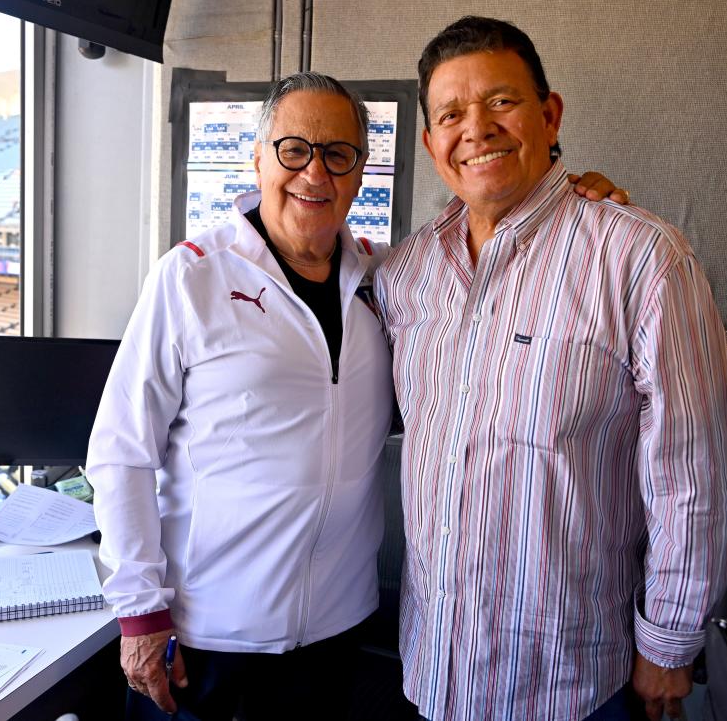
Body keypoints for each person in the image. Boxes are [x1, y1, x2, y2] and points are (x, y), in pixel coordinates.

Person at [87, 71, 623, 719]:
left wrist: (578, 203)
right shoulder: (190, 279)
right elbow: (121, 451)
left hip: (338, 635)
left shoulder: (390, 279)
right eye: (294, 150)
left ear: (360, 171)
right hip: (207, 636)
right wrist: (140, 611)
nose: (315, 173)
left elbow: (499, 266)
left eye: (337, 153)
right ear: (258, 159)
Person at [373, 16, 727, 721]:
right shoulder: (405, 272)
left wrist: (669, 643)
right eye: (451, 113)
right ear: (429, 144)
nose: (475, 128)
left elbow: (695, 472)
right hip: (433, 665)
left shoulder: (641, 259)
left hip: (572, 679)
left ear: (549, 116)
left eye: (501, 102)